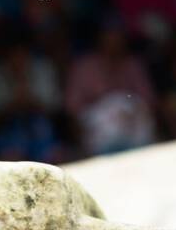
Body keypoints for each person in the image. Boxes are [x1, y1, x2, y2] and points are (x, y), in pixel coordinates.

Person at [64, 22, 156, 156]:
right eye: (109, 38)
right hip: (98, 133)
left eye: (117, 38)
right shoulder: (84, 67)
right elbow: (72, 109)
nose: (113, 43)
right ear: (100, 40)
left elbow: (148, 100)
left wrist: (130, 110)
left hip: (133, 130)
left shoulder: (133, 65)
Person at [0, 27, 65, 162]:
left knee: (46, 137)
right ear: (6, 56)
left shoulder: (43, 69)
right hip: (5, 133)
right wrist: (12, 106)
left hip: (40, 130)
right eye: (13, 55)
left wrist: (30, 102)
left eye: (22, 54)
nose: (18, 60)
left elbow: (55, 107)